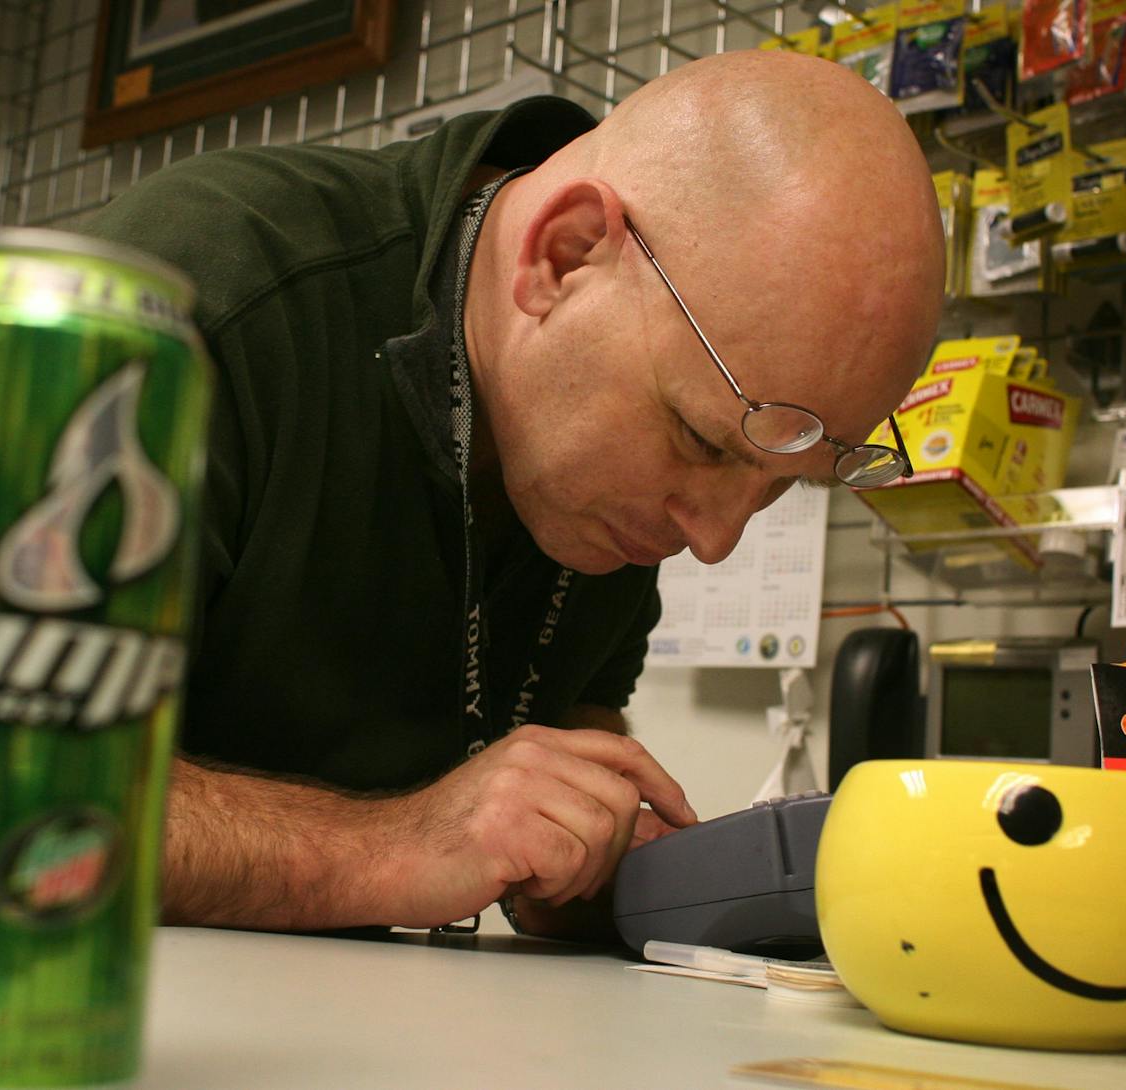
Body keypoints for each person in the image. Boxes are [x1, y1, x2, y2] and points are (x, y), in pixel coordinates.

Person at [77, 50, 946, 937]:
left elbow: (570, 719)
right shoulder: (194, 292)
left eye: (776, 491)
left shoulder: (608, 479)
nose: (716, 538)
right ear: (563, 257)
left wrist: (599, 860)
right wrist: (386, 848)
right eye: (699, 439)